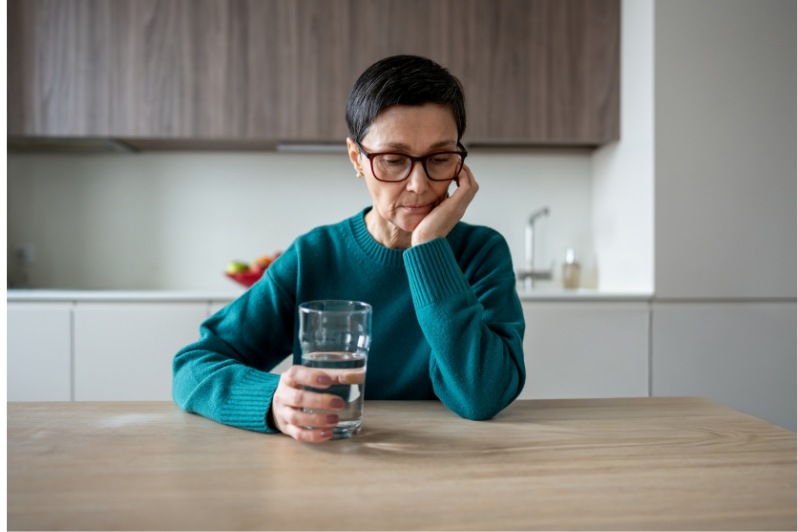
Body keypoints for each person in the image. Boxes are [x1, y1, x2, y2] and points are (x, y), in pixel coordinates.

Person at [173, 55, 525, 443]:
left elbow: (483, 395)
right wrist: (272, 400)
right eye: (393, 160)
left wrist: (428, 249)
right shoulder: (313, 256)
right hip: (327, 457)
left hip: (448, 462)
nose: (419, 185)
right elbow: (193, 365)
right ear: (357, 158)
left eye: (440, 159)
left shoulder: (482, 253)